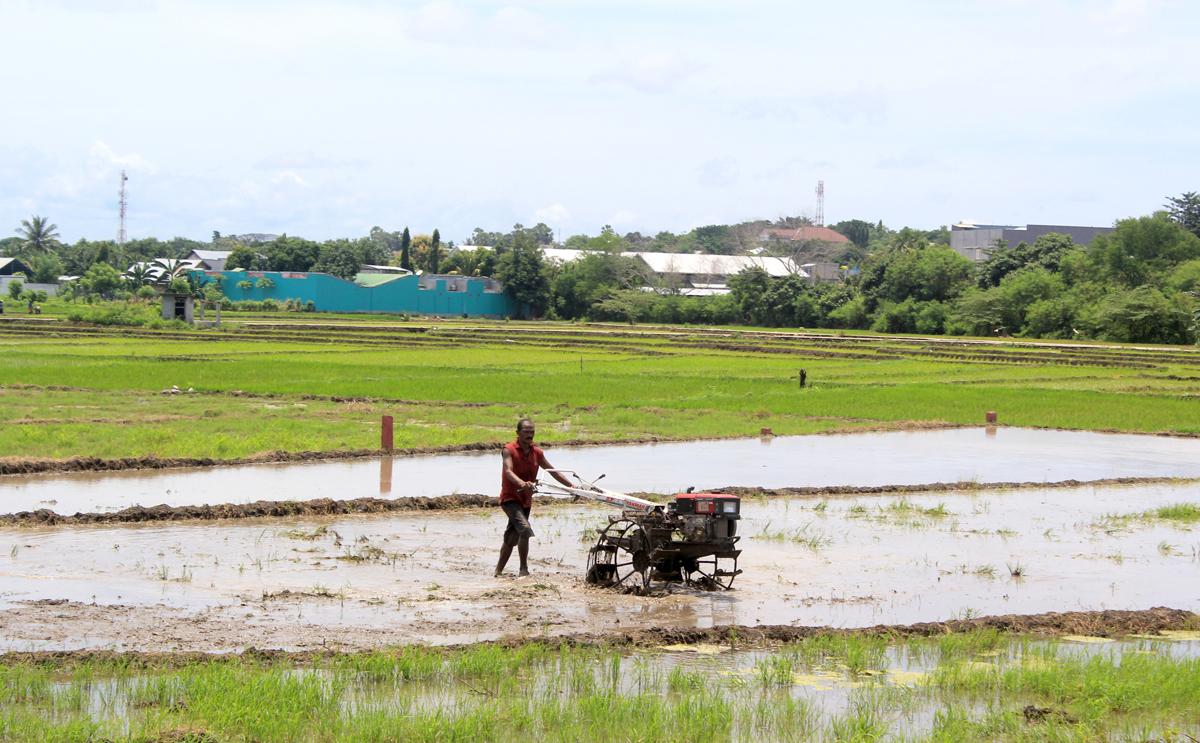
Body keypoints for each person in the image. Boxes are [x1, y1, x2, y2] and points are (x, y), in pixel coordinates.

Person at [495, 418, 573, 578]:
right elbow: (508, 471)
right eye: (526, 432)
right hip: (510, 499)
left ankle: (498, 571)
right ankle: (523, 569)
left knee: (512, 536)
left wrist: (571, 487)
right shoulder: (508, 450)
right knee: (524, 530)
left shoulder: (537, 453)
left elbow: (553, 471)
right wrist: (522, 483)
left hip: (526, 500)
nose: (529, 435)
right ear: (518, 433)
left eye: (532, 432)